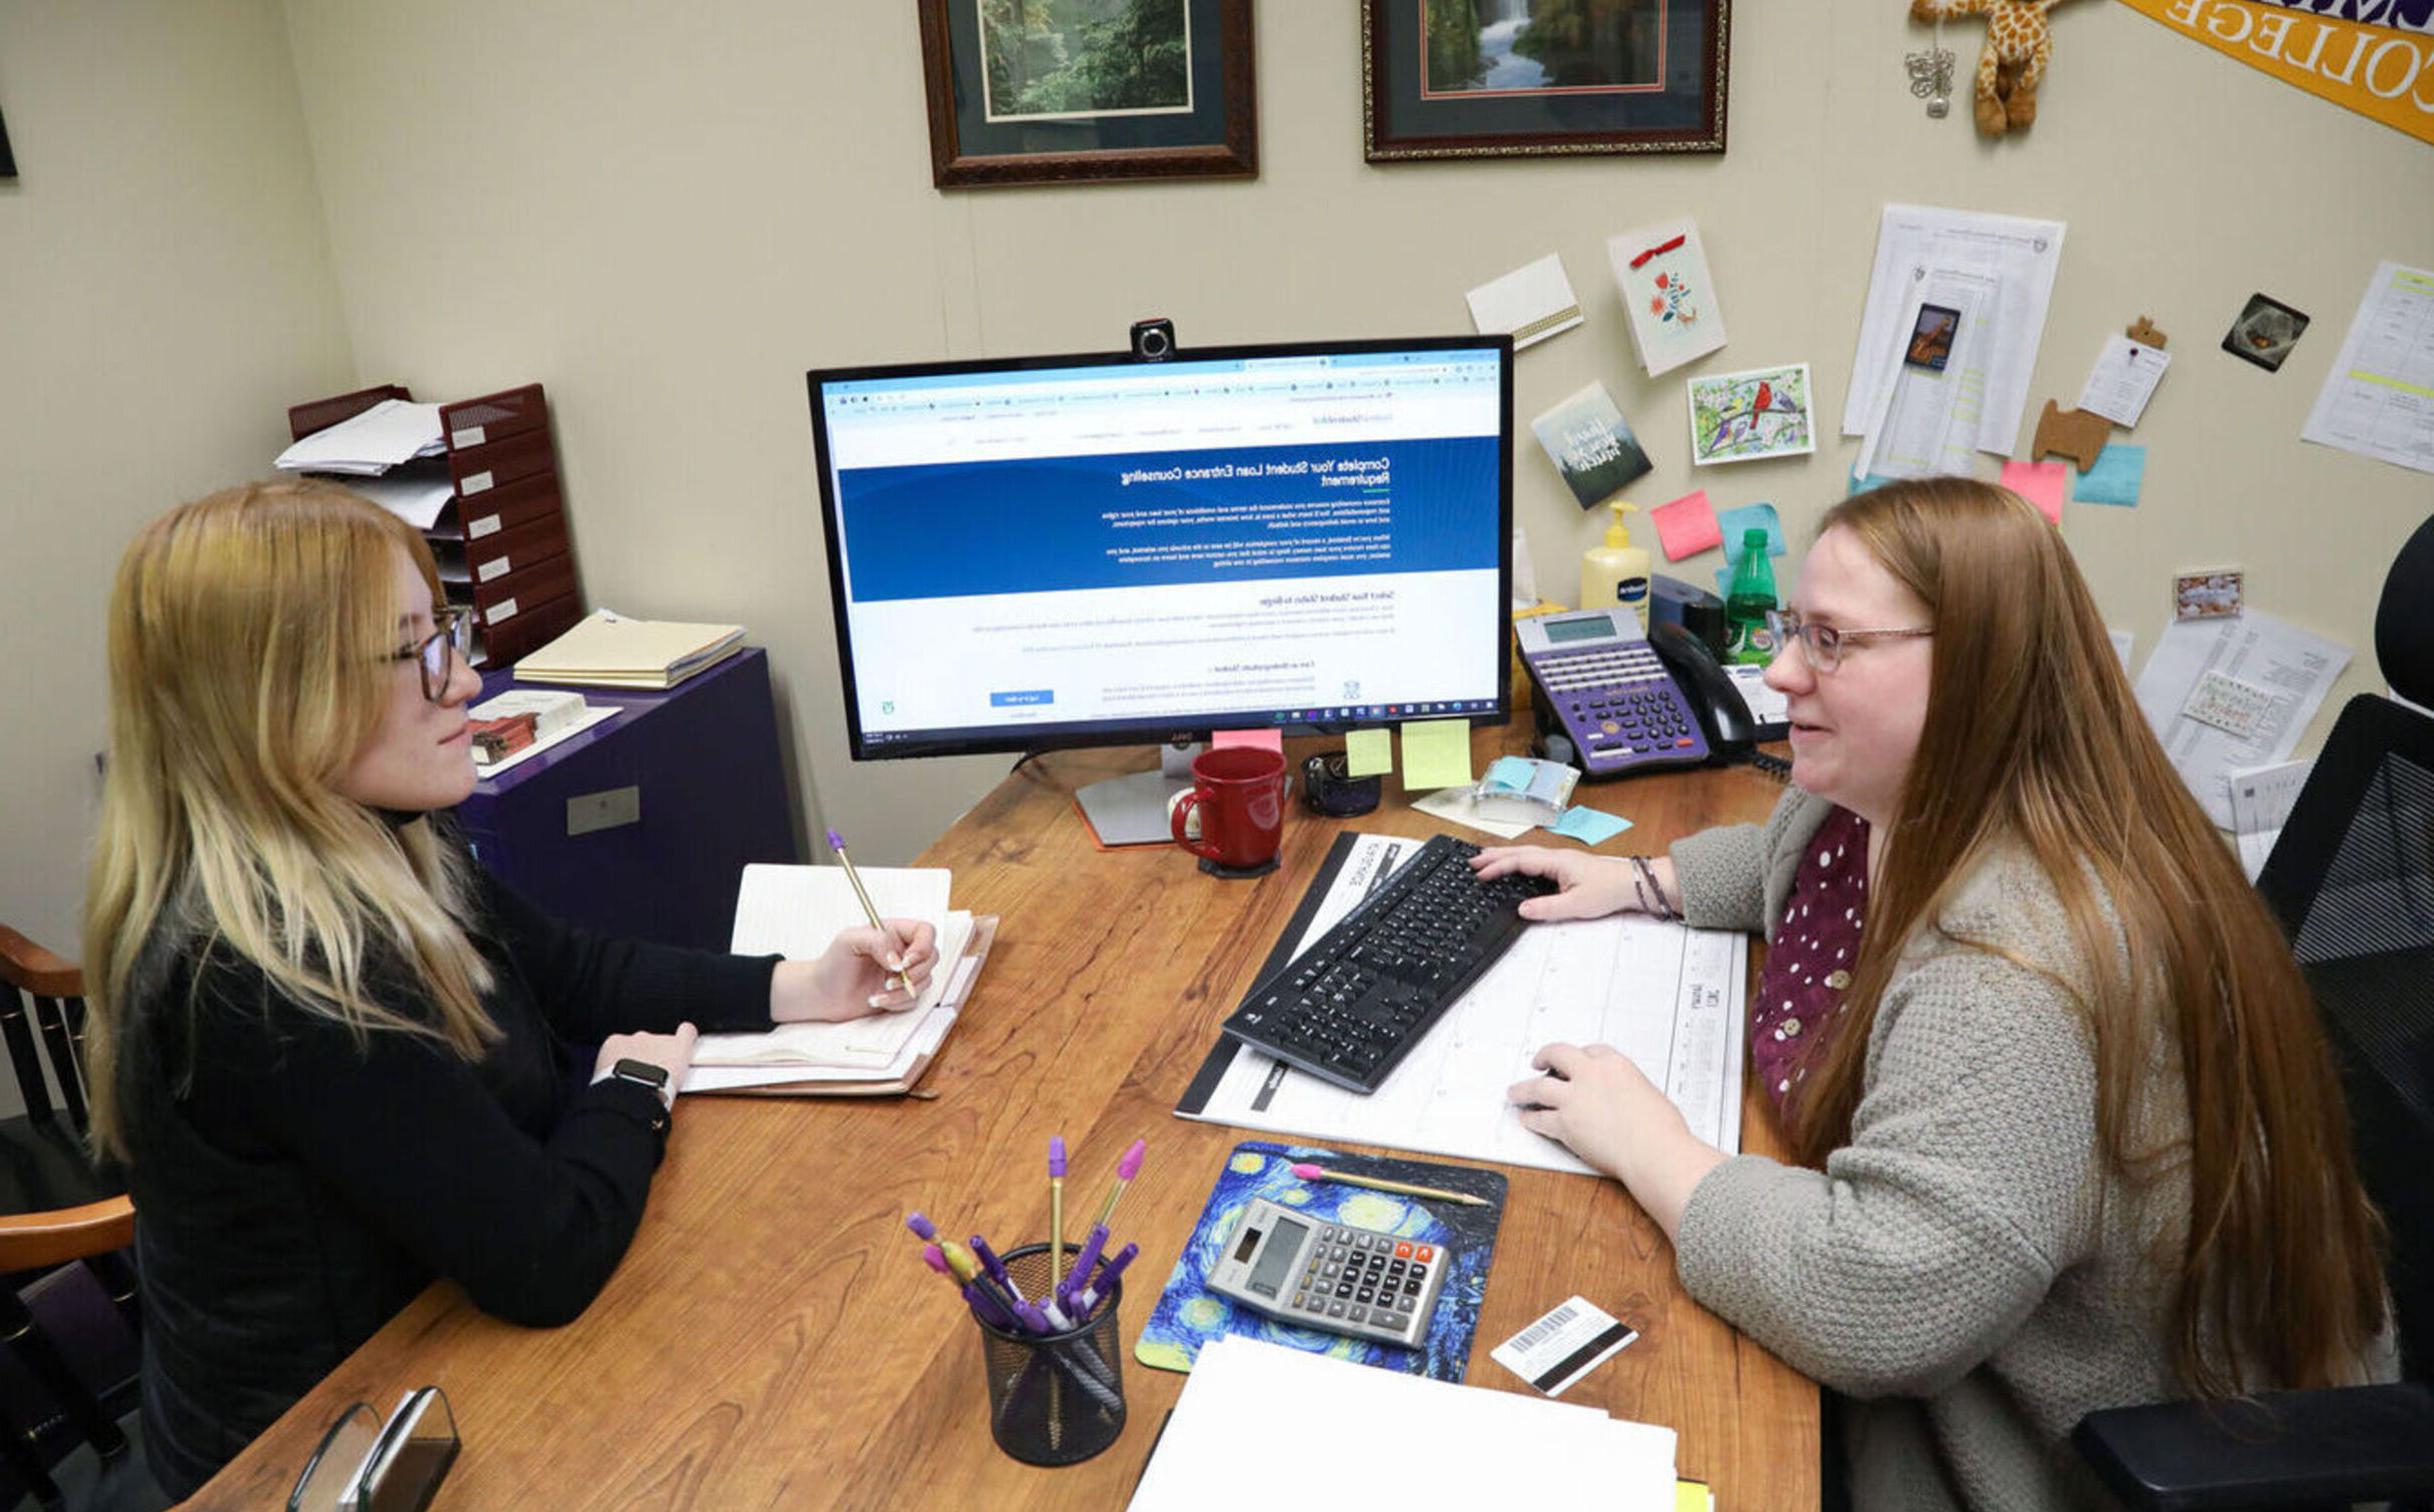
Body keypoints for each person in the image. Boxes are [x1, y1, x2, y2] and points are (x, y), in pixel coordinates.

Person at [1474, 477, 2393, 1511]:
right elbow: (1786, 861)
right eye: (1790, 629)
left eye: (1829, 641)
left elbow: (1875, 1302)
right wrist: (1644, 880)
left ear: (1974, 670)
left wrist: (1647, 1141)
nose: (1778, 671)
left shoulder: (2011, 971)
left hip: (2043, 1454)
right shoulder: (1902, 802)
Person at [81, 480, 940, 1498]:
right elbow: (545, 1257)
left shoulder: (377, 829)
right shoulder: (270, 973)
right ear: (279, 702)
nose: (466, 681)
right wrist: (629, 1094)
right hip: (322, 1453)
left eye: (442, 632)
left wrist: (804, 984)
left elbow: (576, 970)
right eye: (414, 652)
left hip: (439, 1350)